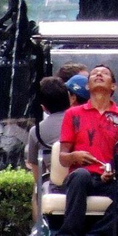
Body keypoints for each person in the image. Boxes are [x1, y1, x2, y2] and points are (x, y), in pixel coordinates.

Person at [56, 64, 118, 236]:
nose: (99, 74)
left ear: (114, 87)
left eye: (105, 73)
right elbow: (63, 158)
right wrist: (75, 156)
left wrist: (116, 171)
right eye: (94, 73)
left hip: (109, 179)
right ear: (87, 86)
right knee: (81, 175)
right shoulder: (73, 114)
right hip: (81, 178)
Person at [26, 76, 70, 221]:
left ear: (43, 107)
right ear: (68, 97)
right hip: (87, 178)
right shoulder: (80, 120)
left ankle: (39, 232)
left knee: (37, 190)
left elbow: (37, 174)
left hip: (57, 184)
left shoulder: (36, 131)